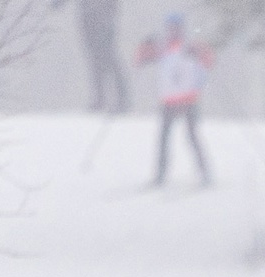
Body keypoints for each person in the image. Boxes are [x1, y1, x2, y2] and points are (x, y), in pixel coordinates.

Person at [135, 14, 213, 187]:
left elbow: (208, 60)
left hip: (188, 99)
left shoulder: (190, 47)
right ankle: (160, 175)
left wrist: (201, 54)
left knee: (192, 137)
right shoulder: (162, 48)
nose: (173, 31)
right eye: (171, 28)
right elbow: (140, 59)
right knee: (164, 138)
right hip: (169, 101)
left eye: (176, 28)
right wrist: (145, 45)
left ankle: (205, 172)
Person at [66, 0, 129, 114]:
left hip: (104, 16)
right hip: (88, 17)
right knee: (94, 58)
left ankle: (121, 98)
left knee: (109, 57)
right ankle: (100, 98)